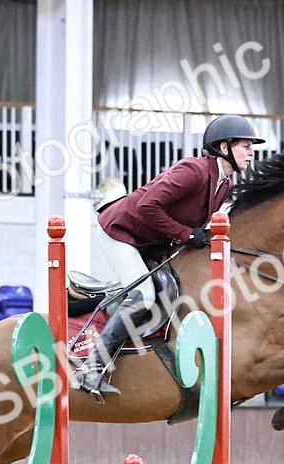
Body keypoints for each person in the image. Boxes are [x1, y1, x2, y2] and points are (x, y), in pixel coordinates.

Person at [72, 114, 264, 399]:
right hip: (121, 232)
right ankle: (91, 367)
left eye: (251, 146)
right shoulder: (193, 170)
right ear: (224, 147)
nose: (251, 152)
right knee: (145, 295)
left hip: (152, 240)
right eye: (245, 145)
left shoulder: (225, 184)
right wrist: (187, 234)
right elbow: (149, 206)